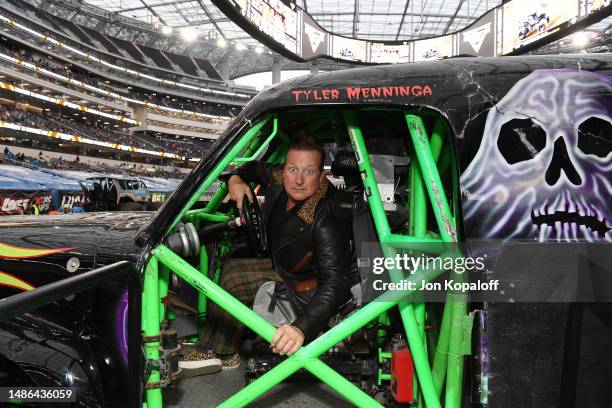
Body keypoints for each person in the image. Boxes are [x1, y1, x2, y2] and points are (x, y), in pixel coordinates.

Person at [179, 134, 354, 376]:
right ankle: (227, 349)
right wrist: (236, 179)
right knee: (230, 265)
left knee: (233, 279)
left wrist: (301, 329)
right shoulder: (278, 177)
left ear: (321, 175)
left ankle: (219, 352)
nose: (299, 180)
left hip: (304, 284)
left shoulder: (327, 217)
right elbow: (253, 167)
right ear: (284, 169)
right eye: (292, 169)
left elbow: (336, 282)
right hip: (282, 264)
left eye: (309, 172)